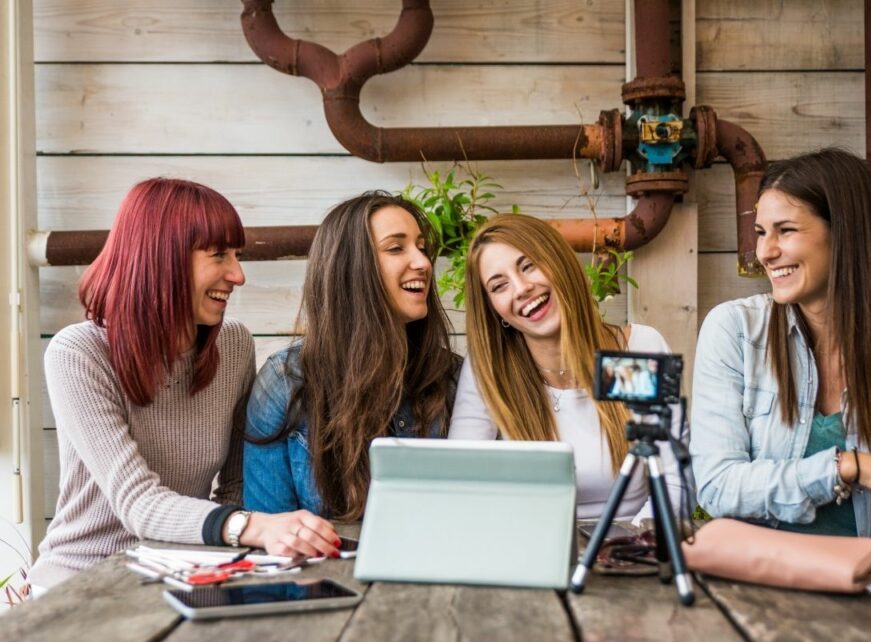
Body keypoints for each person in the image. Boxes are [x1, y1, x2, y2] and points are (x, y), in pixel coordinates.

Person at [28, 178, 341, 596]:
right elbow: (138, 504)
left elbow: (234, 488)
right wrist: (254, 527)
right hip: (84, 584)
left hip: (184, 575)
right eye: (219, 256)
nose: (238, 275)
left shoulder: (232, 345)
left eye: (237, 255)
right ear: (162, 259)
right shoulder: (78, 353)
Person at [690, 148, 871, 625]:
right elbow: (718, 485)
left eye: (785, 231)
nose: (764, 252)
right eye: (760, 232)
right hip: (758, 597)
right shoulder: (734, 331)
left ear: (845, 235)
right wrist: (848, 468)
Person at [448, 213, 685, 525]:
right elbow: (461, 486)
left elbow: (676, 479)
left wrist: (633, 544)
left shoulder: (638, 349)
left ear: (560, 263)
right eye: (499, 285)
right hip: (533, 549)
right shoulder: (490, 369)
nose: (520, 288)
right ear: (496, 311)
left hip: (634, 550)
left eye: (528, 265)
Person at [244, 192, 460, 521]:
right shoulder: (284, 382)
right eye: (396, 248)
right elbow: (270, 539)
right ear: (351, 268)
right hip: (323, 573)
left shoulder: (455, 380)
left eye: (422, 247)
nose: (423, 262)